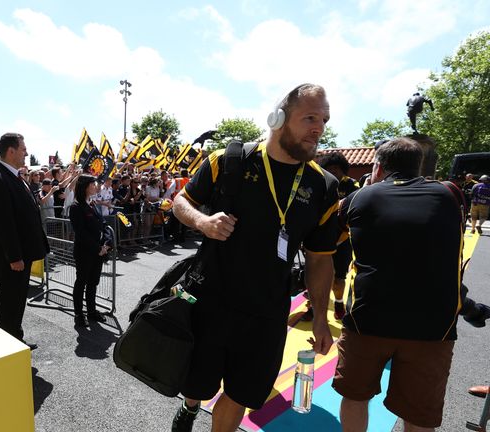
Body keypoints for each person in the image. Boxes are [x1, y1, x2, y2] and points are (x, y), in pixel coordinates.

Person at [170, 83, 338, 431]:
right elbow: (180, 202)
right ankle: (189, 407)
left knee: (240, 395)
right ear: (278, 118)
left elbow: (321, 259)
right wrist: (202, 221)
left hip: (267, 313)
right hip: (210, 302)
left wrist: (320, 317)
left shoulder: (324, 187)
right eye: (309, 117)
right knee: (197, 385)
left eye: (324, 119)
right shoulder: (228, 160)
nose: (319, 128)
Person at [332, 137, 464, 431]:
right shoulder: (451, 194)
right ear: (419, 168)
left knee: (355, 396)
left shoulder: (359, 199)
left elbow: (328, 240)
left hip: (368, 319)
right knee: (418, 414)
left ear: (377, 167)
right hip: (434, 326)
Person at [0, 133, 50, 350]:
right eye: (23, 149)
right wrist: (14, 257)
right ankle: (7, 346)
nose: (27, 152)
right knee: (9, 302)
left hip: (23, 253)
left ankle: (16, 340)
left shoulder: (14, 176)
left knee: (18, 300)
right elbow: (3, 224)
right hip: (13, 258)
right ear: (11, 151)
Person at [302, 152, 359, 321]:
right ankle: (313, 307)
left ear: (344, 169)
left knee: (338, 279)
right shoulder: (320, 182)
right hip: (319, 237)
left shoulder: (352, 186)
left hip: (342, 239)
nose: (334, 172)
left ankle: (339, 302)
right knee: (315, 275)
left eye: (337, 168)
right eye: (330, 168)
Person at [68, 175, 111, 327]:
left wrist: (106, 243)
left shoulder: (92, 204)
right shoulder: (75, 207)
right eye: (93, 184)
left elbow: (103, 225)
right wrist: (98, 248)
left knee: (93, 282)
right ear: (84, 186)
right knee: (81, 282)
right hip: (84, 252)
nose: (95, 186)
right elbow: (81, 233)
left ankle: (92, 311)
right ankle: (79, 314)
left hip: (98, 251)